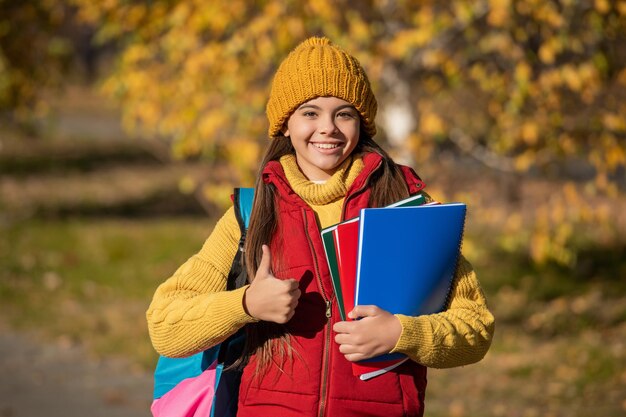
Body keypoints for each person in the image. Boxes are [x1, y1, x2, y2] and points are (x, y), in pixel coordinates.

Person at [146, 37, 495, 417]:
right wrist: (246, 304)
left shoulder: (406, 208)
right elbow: (165, 325)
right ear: (286, 124)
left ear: (362, 122)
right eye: (310, 113)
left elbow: (475, 328)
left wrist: (401, 333)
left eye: (343, 113)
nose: (327, 128)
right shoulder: (252, 212)